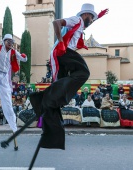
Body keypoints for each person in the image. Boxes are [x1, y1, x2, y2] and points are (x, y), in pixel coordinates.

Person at [30, 3, 108, 149]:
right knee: (84, 72)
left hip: (65, 56)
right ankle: (43, 98)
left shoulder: (81, 25)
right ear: (85, 15)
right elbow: (56, 22)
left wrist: (99, 17)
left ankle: (50, 132)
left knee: (58, 95)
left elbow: (86, 24)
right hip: (63, 52)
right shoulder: (76, 20)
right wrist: (60, 41)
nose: (91, 22)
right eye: (91, 18)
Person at [0, 33, 27, 134]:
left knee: (7, 99)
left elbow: (23, 58)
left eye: (12, 42)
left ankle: (13, 126)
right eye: (9, 42)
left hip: (3, 76)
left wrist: (25, 57)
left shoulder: (13, 52)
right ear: (4, 41)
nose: (10, 44)